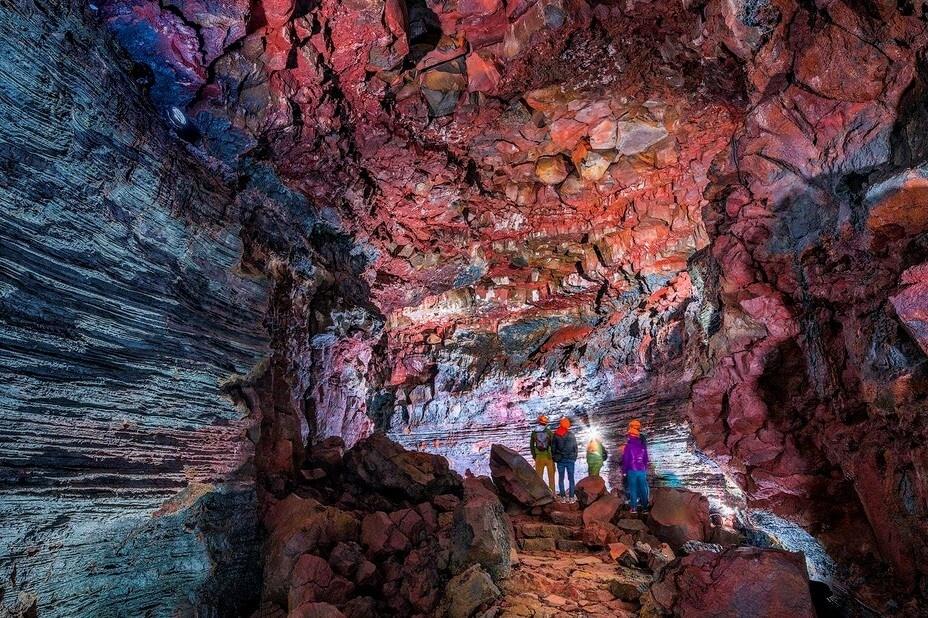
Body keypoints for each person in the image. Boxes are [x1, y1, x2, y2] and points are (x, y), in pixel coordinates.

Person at [621, 419, 650, 513]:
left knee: (633, 488)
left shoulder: (628, 446)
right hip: (641, 470)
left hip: (631, 470)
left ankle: (633, 508)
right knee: (643, 488)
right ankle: (645, 508)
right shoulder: (642, 445)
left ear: (630, 435)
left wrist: (624, 471)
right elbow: (646, 458)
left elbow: (625, 460)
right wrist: (644, 467)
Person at [552, 417, 578, 500]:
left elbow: (553, 449)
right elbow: (575, 448)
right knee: (571, 479)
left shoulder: (555, 435)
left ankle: (563, 497)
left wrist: (555, 457)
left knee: (561, 478)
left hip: (560, 460)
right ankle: (571, 497)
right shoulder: (571, 434)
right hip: (570, 459)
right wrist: (574, 457)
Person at [529, 415, 555, 492]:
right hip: (548, 457)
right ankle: (552, 492)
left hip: (539, 457)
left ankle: (540, 492)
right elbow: (553, 444)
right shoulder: (548, 432)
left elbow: (531, 445)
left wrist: (534, 455)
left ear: (539, 422)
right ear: (546, 423)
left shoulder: (534, 432)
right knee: (551, 476)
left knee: (539, 477)